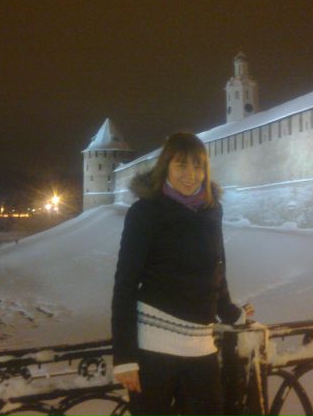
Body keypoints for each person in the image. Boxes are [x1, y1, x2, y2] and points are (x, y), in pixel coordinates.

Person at [111, 132, 255, 415]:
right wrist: (125, 357)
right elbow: (125, 283)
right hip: (153, 348)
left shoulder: (211, 210)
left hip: (201, 345)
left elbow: (216, 267)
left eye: (198, 166)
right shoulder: (145, 212)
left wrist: (230, 311)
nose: (190, 175)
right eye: (181, 165)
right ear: (166, 166)